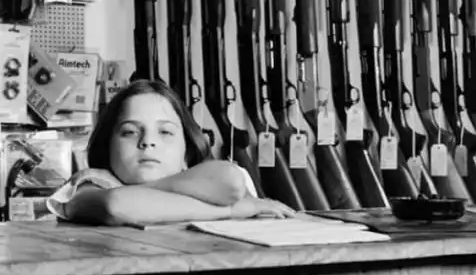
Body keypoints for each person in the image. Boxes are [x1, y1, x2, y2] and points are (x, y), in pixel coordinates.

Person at [46, 79, 295, 226]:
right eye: (130, 132)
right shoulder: (90, 184)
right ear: (107, 146)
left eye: (165, 132)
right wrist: (229, 211)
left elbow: (231, 182)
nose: (147, 142)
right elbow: (117, 204)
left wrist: (155, 188)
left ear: (187, 153)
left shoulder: (202, 178)